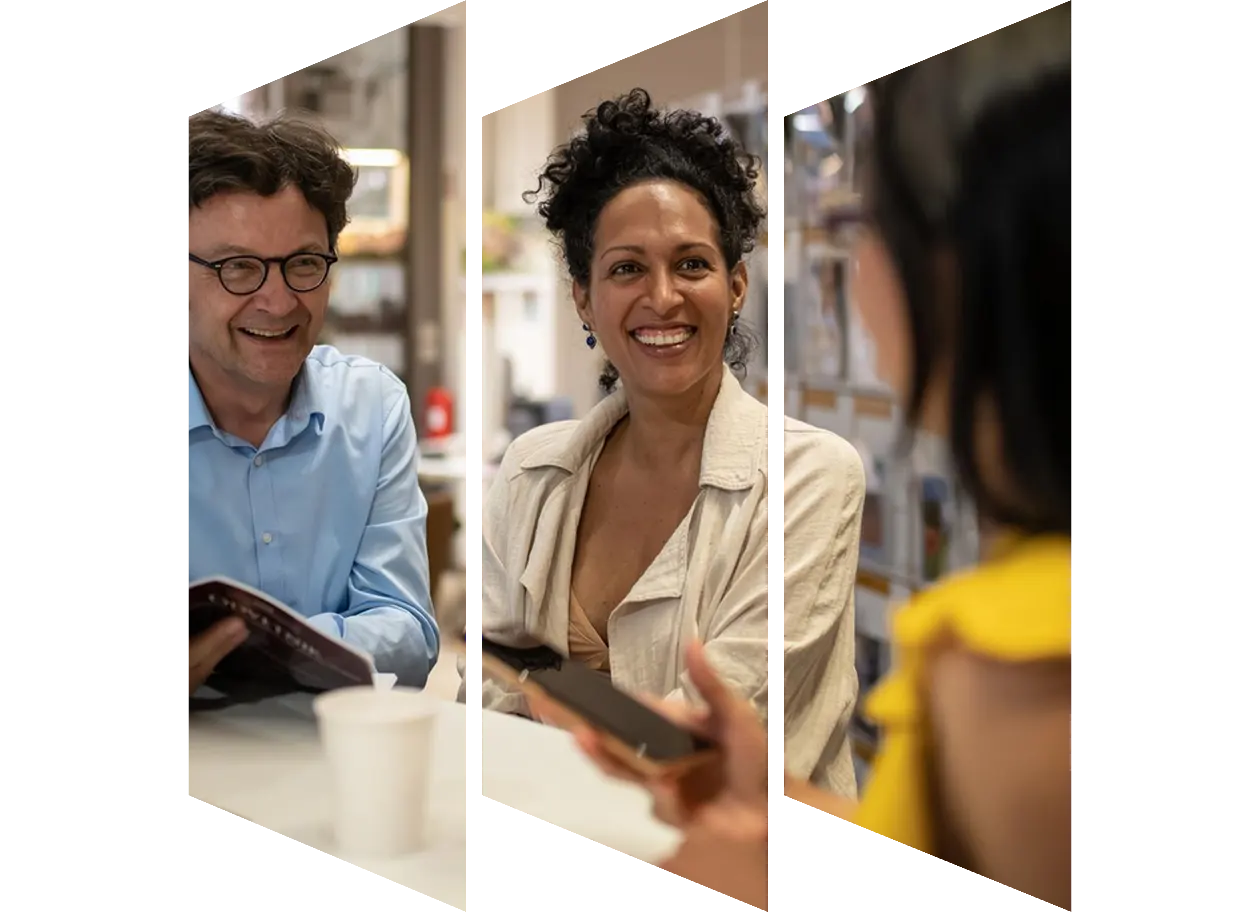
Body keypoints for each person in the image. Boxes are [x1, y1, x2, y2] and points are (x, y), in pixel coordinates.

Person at [570, 6, 1072, 911]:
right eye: (624, 269)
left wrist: (772, 867)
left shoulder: (1028, 668)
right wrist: (773, 816)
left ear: (963, 264)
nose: (854, 262)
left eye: (864, 220)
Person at [456, 89, 866, 797]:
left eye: (692, 264)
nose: (664, 297)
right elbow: (488, 706)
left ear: (736, 286)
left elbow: (707, 739)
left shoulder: (809, 477)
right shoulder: (530, 473)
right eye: (626, 269)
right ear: (583, 299)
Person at [184, 110, 440, 693]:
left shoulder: (372, 407)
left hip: (335, 746)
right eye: (238, 267)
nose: (278, 302)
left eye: (303, 263)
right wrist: (329, 646)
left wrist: (243, 652)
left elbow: (409, 637)